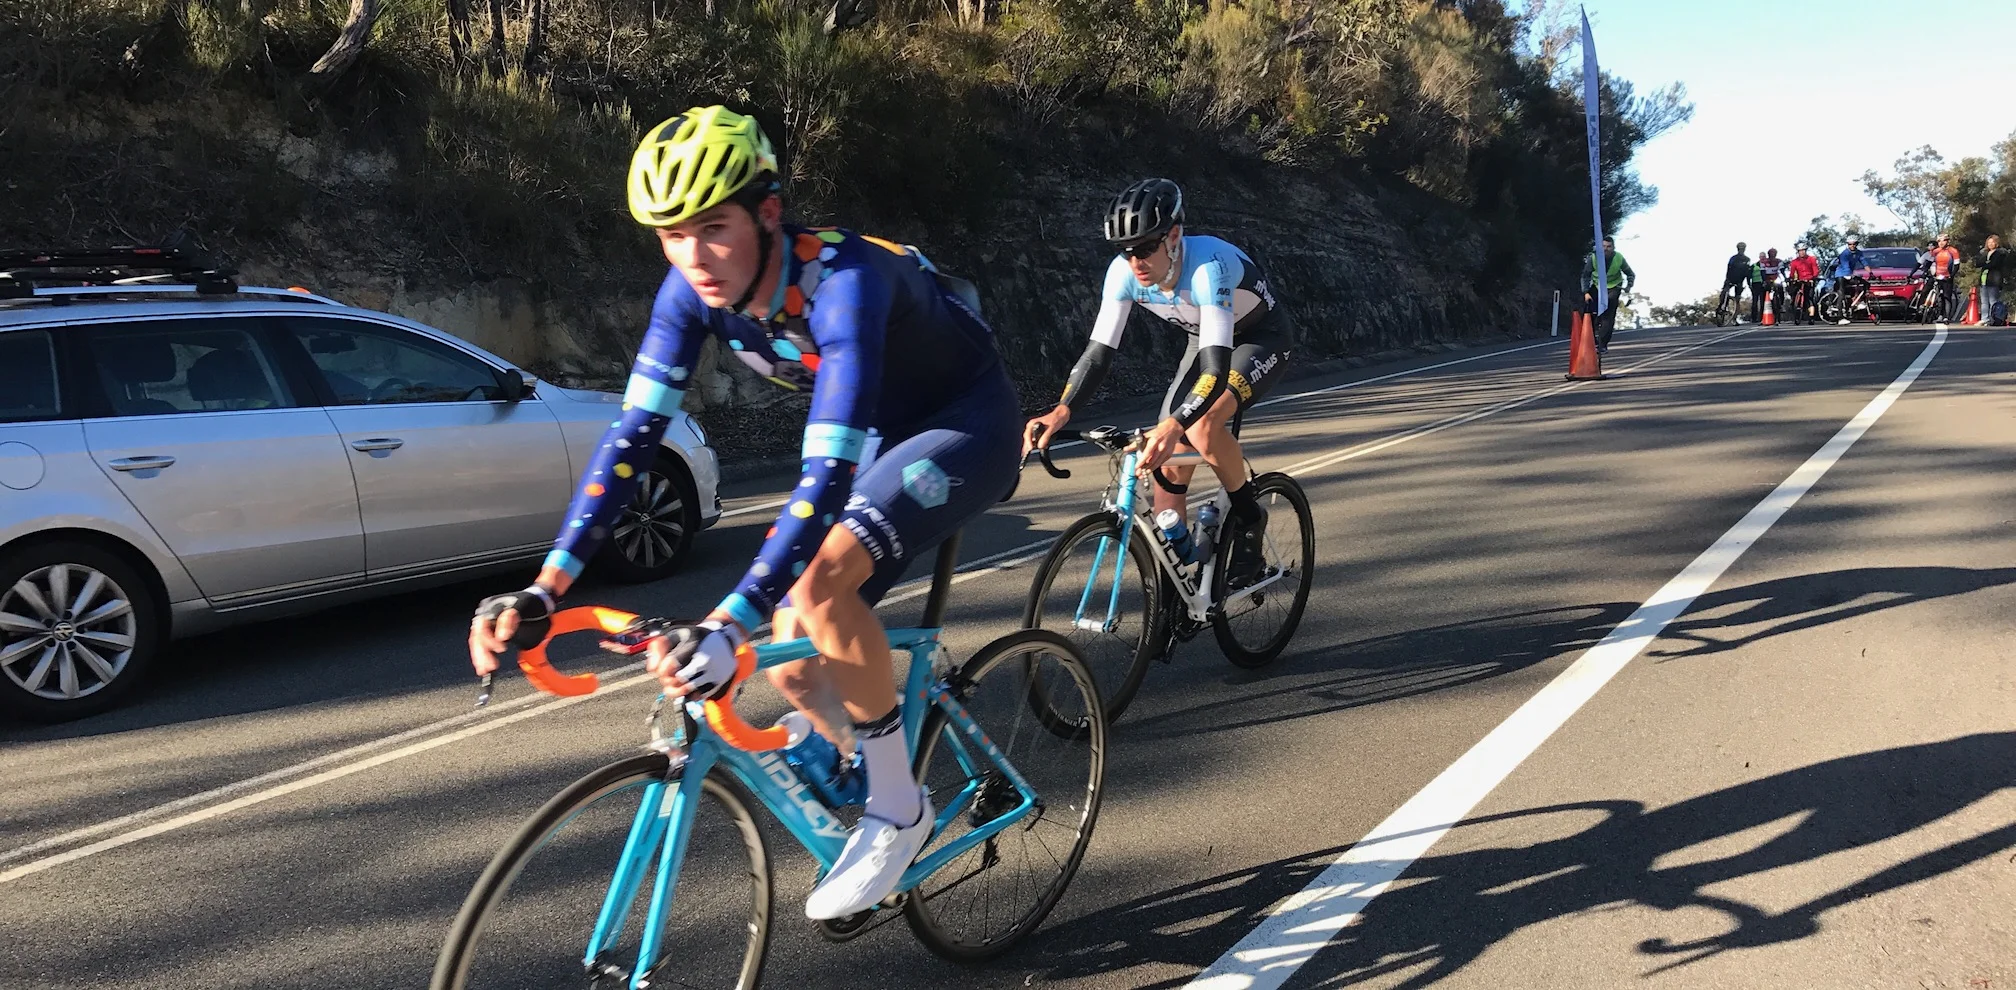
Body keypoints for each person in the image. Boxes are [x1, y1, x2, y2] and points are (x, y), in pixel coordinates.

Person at [466, 106, 1022, 921]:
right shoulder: (690, 293)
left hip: (965, 422)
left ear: (767, 214)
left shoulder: (845, 284)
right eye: (671, 235)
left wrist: (726, 625)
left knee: (821, 584)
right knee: (793, 657)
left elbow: (825, 475)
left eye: (713, 229)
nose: (694, 257)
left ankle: (900, 809)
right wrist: (545, 588)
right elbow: (633, 439)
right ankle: (859, 752)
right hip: (881, 432)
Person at [1023, 178, 1294, 586]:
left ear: (1173, 236)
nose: (1136, 261)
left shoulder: (1209, 268)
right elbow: (1097, 355)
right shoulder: (1123, 273)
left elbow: (1215, 372)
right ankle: (1175, 587)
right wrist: (1061, 412)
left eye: (1146, 247)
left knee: (1199, 427)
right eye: (1126, 250)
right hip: (1204, 339)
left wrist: (1174, 425)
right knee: (1166, 467)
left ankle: (1250, 519)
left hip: (1260, 338)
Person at [1580, 235, 1635, 352]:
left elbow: (1630, 274)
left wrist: (1628, 287)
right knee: (1588, 311)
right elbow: (1585, 275)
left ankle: (1603, 344)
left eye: (1609, 247)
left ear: (1613, 247)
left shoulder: (1619, 258)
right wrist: (1586, 292)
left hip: (1613, 287)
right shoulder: (1593, 258)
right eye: (1603, 246)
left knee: (1608, 315)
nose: (1606, 249)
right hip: (1597, 286)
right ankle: (1592, 337)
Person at [1832, 234, 1875, 326]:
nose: (1852, 246)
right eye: (1850, 244)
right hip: (1841, 275)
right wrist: (1850, 275)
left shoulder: (1859, 253)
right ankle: (1840, 317)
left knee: (1865, 284)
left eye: (1854, 244)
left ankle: (1860, 302)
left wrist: (1870, 273)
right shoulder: (1844, 254)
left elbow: (1864, 263)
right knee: (1841, 293)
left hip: (1849, 274)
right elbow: (1845, 266)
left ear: (1857, 244)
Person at [1930, 234, 1964, 321]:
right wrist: (1931, 272)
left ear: (1948, 241)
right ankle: (1940, 315)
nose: (1941, 243)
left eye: (1943, 240)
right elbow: (1931, 263)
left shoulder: (1953, 251)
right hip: (1938, 276)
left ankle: (1946, 317)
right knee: (1940, 297)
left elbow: (1956, 265)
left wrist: (1951, 276)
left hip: (1947, 276)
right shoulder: (1935, 251)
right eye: (1939, 241)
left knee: (1946, 296)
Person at [1786, 244, 1821, 325]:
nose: (1802, 252)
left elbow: (1815, 270)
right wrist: (1791, 278)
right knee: (1794, 293)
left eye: (1803, 250)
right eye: (1800, 251)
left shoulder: (1812, 259)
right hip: (1800, 280)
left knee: (1809, 298)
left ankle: (1811, 317)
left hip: (1809, 280)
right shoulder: (1794, 262)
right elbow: (1792, 273)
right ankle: (1795, 307)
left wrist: (1813, 278)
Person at [1981, 235, 2011, 325]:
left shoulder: (1999, 253)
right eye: (1989, 242)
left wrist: (1986, 264)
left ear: (1997, 243)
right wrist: (1986, 263)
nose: (1990, 244)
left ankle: (1993, 319)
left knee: (1993, 301)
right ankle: (1984, 319)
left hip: (1994, 279)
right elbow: (1978, 263)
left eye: (1992, 242)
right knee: (1984, 302)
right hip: (1984, 279)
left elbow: (1994, 264)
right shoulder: (1985, 253)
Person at [1721, 242, 1751, 323]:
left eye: (1742, 249)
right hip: (1730, 278)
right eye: (1740, 249)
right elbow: (1729, 268)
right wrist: (1727, 279)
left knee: (1737, 299)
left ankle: (1734, 318)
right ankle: (1722, 306)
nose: (1741, 250)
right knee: (1724, 292)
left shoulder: (1747, 259)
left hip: (1739, 281)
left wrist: (1748, 283)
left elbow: (1747, 272)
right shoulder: (1733, 258)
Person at [1757, 248, 1786, 320]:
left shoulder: (1779, 261)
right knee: (1764, 294)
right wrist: (1764, 280)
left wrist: (1785, 278)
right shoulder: (1764, 262)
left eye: (1774, 254)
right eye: (1771, 254)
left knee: (1781, 289)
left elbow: (1782, 270)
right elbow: (1762, 272)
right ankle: (1762, 313)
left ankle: (1781, 305)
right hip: (1767, 279)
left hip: (1776, 279)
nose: (1772, 255)